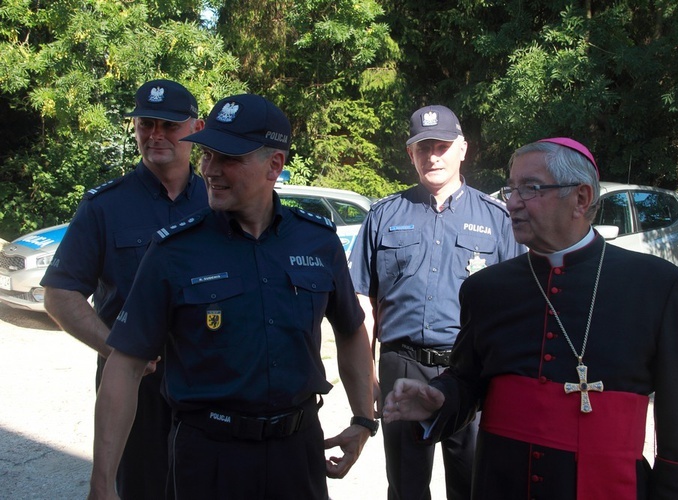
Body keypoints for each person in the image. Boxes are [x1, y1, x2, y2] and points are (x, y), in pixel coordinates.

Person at [382, 138, 678, 499]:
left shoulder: (659, 289)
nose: (512, 202)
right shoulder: (486, 289)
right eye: (512, 188)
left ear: (581, 199)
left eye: (531, 188)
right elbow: (467, 380)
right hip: (501, 486)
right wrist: (439, 399)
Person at [88, 93, 377, 499]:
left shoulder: (317, 242)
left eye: (229, 159)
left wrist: (364, 418)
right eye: (207, 155)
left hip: (298, 453)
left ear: (274, 165)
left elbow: (351, 329)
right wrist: (102, 484)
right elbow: (125, 364)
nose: (209, 170)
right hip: (209, 458)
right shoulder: (174, 250)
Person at [348, 104, 525, 499]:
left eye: (442, 146)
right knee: (406, 487)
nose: (433, 156)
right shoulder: (383, 215)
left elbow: (516, 308)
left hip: (470, 370)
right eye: (423, 147)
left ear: (463, 149)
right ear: (411, 154)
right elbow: (363, 304)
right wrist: (368, 379)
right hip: (401, 367)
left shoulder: (497, 219)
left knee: (473, 483)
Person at [41, 79, 207, 499]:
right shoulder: (104, 206)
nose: (156, 134)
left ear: (198, 128)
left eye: (169, 125)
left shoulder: (219, 198)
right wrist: (117, 348)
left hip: (213, 383)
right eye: (145, 124)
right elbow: (60, 293)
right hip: (136, 391)